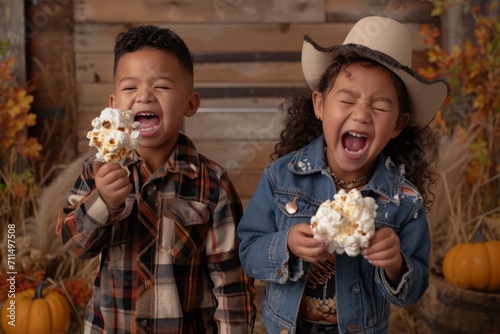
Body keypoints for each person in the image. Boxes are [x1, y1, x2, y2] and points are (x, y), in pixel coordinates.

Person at [237, 16, 449, 334]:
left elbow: (413, 292)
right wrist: (286, 245)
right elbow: (248, 250)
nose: (361, 114)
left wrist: (396, 265)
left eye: (379, 106)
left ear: (397, 125)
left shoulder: (405, 201)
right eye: (347, 99)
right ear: (320, 105)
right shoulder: (281, 178)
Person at [57, 25, 256, 333]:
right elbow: (73, 246)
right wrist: (103, 202)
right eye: (130, 88)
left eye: (161, 86)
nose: (144, 96)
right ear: (113, 106)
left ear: (190, 104)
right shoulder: (96, 171)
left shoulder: (212, 183)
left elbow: (230, 281)